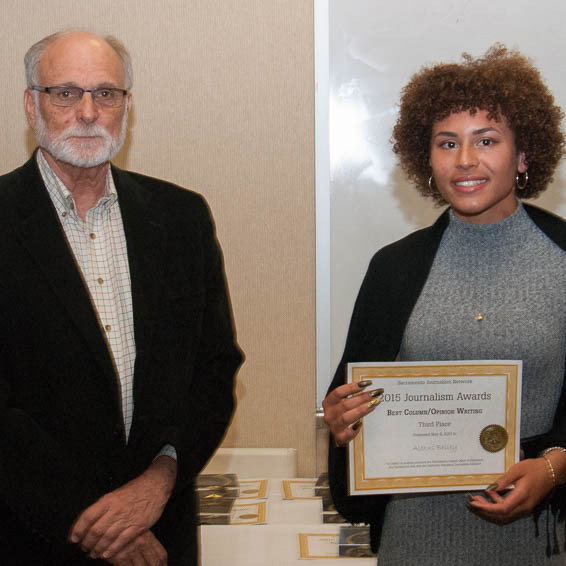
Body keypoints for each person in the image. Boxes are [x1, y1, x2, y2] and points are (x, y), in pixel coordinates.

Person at [0, 30, 243, 566]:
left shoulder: (181, 218)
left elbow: (215, 366)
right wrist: (104, 524)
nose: (87, 111)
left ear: (126, 106)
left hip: (162, 530)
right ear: (30, 104)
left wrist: (157, 484)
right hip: (29, 536)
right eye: (65, 92)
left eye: (106, 94)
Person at [323, 45, 566, 565]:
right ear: (426, 159)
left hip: (541, 539)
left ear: (523, 156)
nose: (465, 160)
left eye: (487, 140)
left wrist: (555, 467)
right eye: (447, 142)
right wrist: (342, 418)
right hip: (413, 539)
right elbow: (349, 392)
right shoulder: (393, 268)